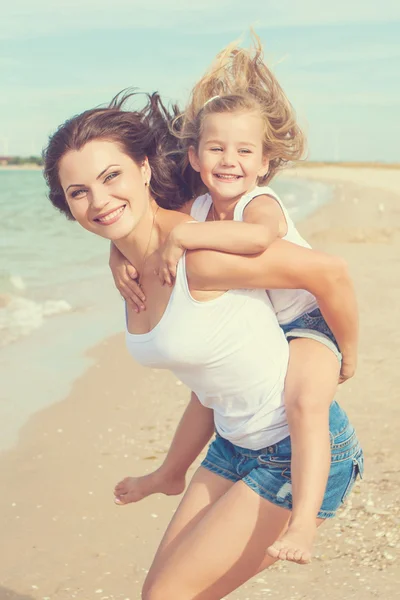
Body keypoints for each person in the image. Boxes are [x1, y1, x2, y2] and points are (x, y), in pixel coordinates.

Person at [43, 91, 363, 599]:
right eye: (79, 192)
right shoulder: (131, 266)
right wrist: (115, 249)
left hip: (291, 452)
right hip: (231, 446)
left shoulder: (203, 250)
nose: (99, 200)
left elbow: (328, 271)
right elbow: (208, 376)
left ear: (144, 170)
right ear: (66, 204)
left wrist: (346, 351)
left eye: (111, 177)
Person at [108, 35, 359, 564]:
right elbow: (139, 222)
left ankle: (303, 523)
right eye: (216, 149)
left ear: (265, 162)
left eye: (245, 151)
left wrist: (348, 351)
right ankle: (170, 472)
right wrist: (117, 255)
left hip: (309, 322)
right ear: (195, 157)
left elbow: (257, 242)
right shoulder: (196, 205)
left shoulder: (257, 202)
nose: (230, 161)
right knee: (209, 386)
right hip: (268, 325)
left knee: (304, 403)